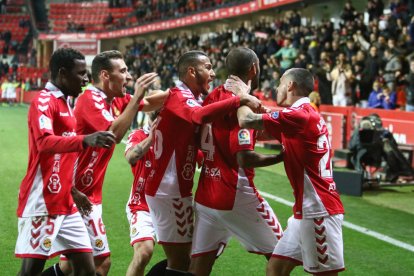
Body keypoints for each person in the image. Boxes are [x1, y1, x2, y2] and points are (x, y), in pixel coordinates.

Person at [144, 50, 261, 275]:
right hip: (168, 189)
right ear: (191, 71)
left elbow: (195, 140)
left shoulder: (191, 98)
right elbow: (198, 117)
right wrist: (240, 98)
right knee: (180, 262)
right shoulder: (180, 95)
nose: (213, 72)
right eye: (207, 67)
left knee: (185, 260)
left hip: (176, 187)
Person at [15, 48, 116, 276]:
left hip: (66, 202)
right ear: (62, 73)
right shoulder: (43, 101)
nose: (86, 79)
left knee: (87, 269)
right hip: (43, 201)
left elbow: (63, 159)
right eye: (80, 73)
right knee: (29, 272)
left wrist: (73, 191)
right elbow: (44, 143)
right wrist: (86, 140)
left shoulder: (66, 103)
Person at [56, 50, 158, 276]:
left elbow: (148, 102)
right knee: (101, 264)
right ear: (105, 76)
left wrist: (180, 94)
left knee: (70, 266)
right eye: (122, 71)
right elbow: (114, 134)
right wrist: (138, 95)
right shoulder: (89, 100)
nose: (129, 76)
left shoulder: (114, 99)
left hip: (88, 193)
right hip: (75, 194)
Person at [235, 68, 345, 275]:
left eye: (279, 83)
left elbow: (246, 121)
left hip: (318, 210)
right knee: (275, 268)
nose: (276, 88)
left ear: (290, 86)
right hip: (305, 211)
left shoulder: (298, 115)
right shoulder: (301, 115)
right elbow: (259, 131)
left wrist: (240, 97)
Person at [189, 47, 283, 276]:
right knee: (284, 254)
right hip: (234, 192)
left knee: (199, 267)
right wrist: (282, 157)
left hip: (206, 195)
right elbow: (243, 157)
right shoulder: (244, 102)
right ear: (253, 69)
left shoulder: (213, 97)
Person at [124, 90, 161, 276]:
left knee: (187, 257)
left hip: (169, 206)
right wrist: (152, 137)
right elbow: (130, 157)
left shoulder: (176, 138)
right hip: (141, 205)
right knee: (144, 252)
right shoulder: (138, 134)